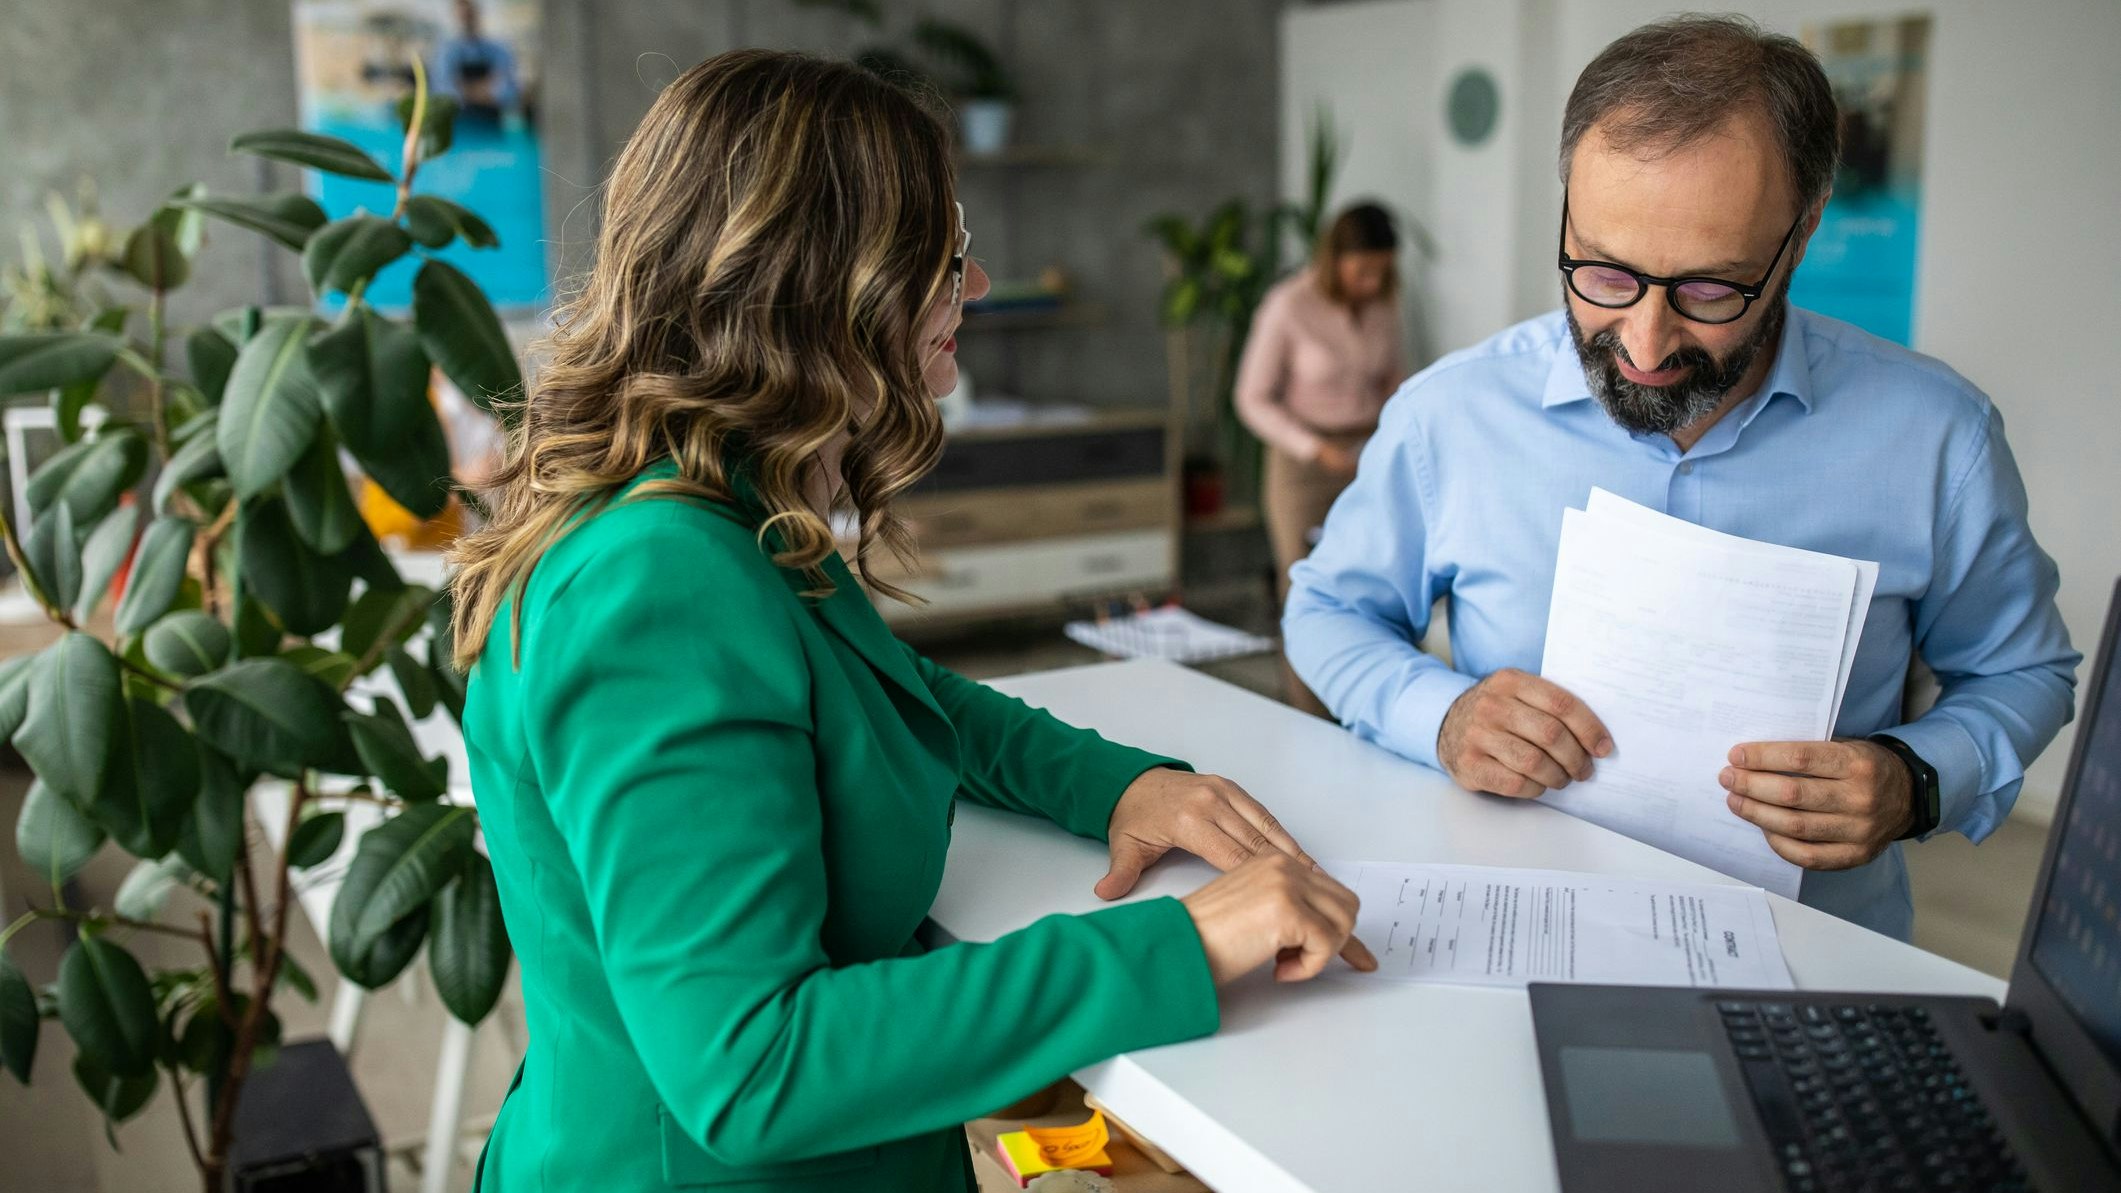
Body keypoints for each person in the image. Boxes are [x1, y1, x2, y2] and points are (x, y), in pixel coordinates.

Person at [448, 51, 1373, 1193]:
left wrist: (1119, 786)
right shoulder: (661, 581)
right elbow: (753, 1064)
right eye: (942, 253)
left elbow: (889, 689)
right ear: (826, 281)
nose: (975, 285)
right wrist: (1184, 942)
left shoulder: (715, 497)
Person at [1283, 15, 2078, 941]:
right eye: (1602, 273)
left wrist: (1915, 778)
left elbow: (2023, 669)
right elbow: (1325, 610)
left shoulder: (1938, 437)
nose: (1645, 343)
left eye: (1709, 289)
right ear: (1567, 213)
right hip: (1501, 939)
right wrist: (1442, 714)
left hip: (1813, 960)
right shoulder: (1449, 416)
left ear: (1802, 231)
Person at [1235, 201, 1406, 714]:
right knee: (1304, 587)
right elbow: (1251, 398)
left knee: (1374, 579)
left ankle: (1367, 708)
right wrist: (1316, 449)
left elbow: (1395, 380)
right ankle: (1308, 712)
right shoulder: (1287, 305)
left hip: (1367, 455)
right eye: (1362, 271)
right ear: (1335, 260)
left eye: (1382, 270)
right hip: (1302, 465)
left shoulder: (1385, 307)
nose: (1372, 282)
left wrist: (1389, 438)